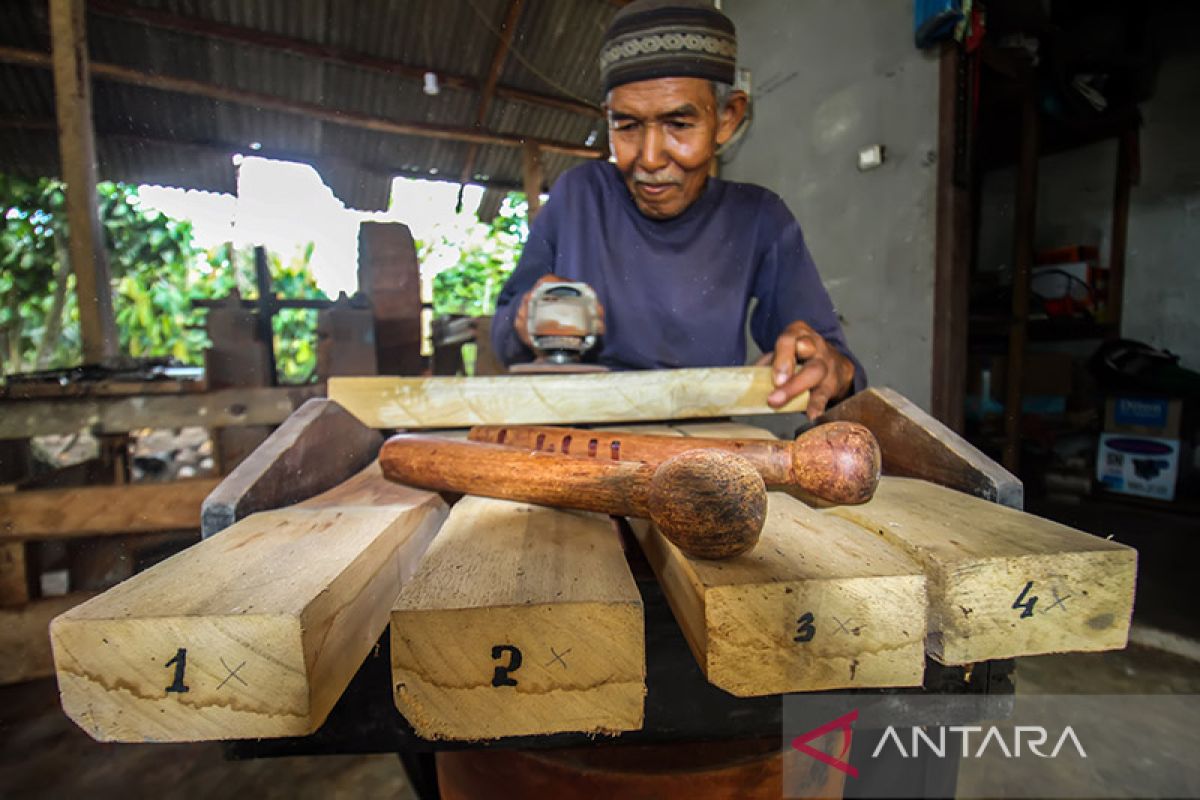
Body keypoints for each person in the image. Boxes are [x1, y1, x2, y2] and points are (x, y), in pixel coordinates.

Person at [491, 0, 865, 417]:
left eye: (679, 125)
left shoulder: (760, 218)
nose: (649, 158)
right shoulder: (578, 195)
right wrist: (525, 320)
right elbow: (504, 329)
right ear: (608, 118)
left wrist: (829, 367)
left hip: (702, 450)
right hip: (581, 437)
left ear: (727, 118)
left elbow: (832, 363)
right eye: (627, 125)